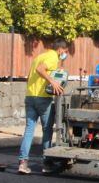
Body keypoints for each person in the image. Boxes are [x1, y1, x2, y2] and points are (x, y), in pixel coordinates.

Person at [18, 39, 68, 174]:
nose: (65, 54)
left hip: (30, 96)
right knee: (47, 130)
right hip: (43, 98)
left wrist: (57, 70)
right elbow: (41, 70)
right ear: (61, 50)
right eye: (65, 52)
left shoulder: (40, 56)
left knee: (29, 129)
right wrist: (53, 81)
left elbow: (36, 72)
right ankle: (47, 163)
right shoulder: (52, 57)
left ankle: (23, 163)